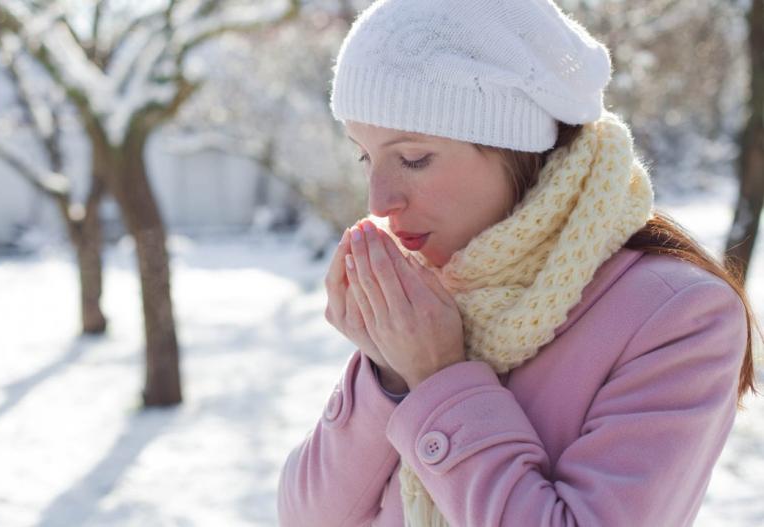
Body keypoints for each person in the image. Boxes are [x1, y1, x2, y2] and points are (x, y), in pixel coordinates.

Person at [277, 0, 760, 526]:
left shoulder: (679, 317)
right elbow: (309, 518)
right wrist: (389, 374)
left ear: (515, 146)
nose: (379, 200)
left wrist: (438, 377)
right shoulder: (440, 287)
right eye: (365, 156)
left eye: (413, 158)